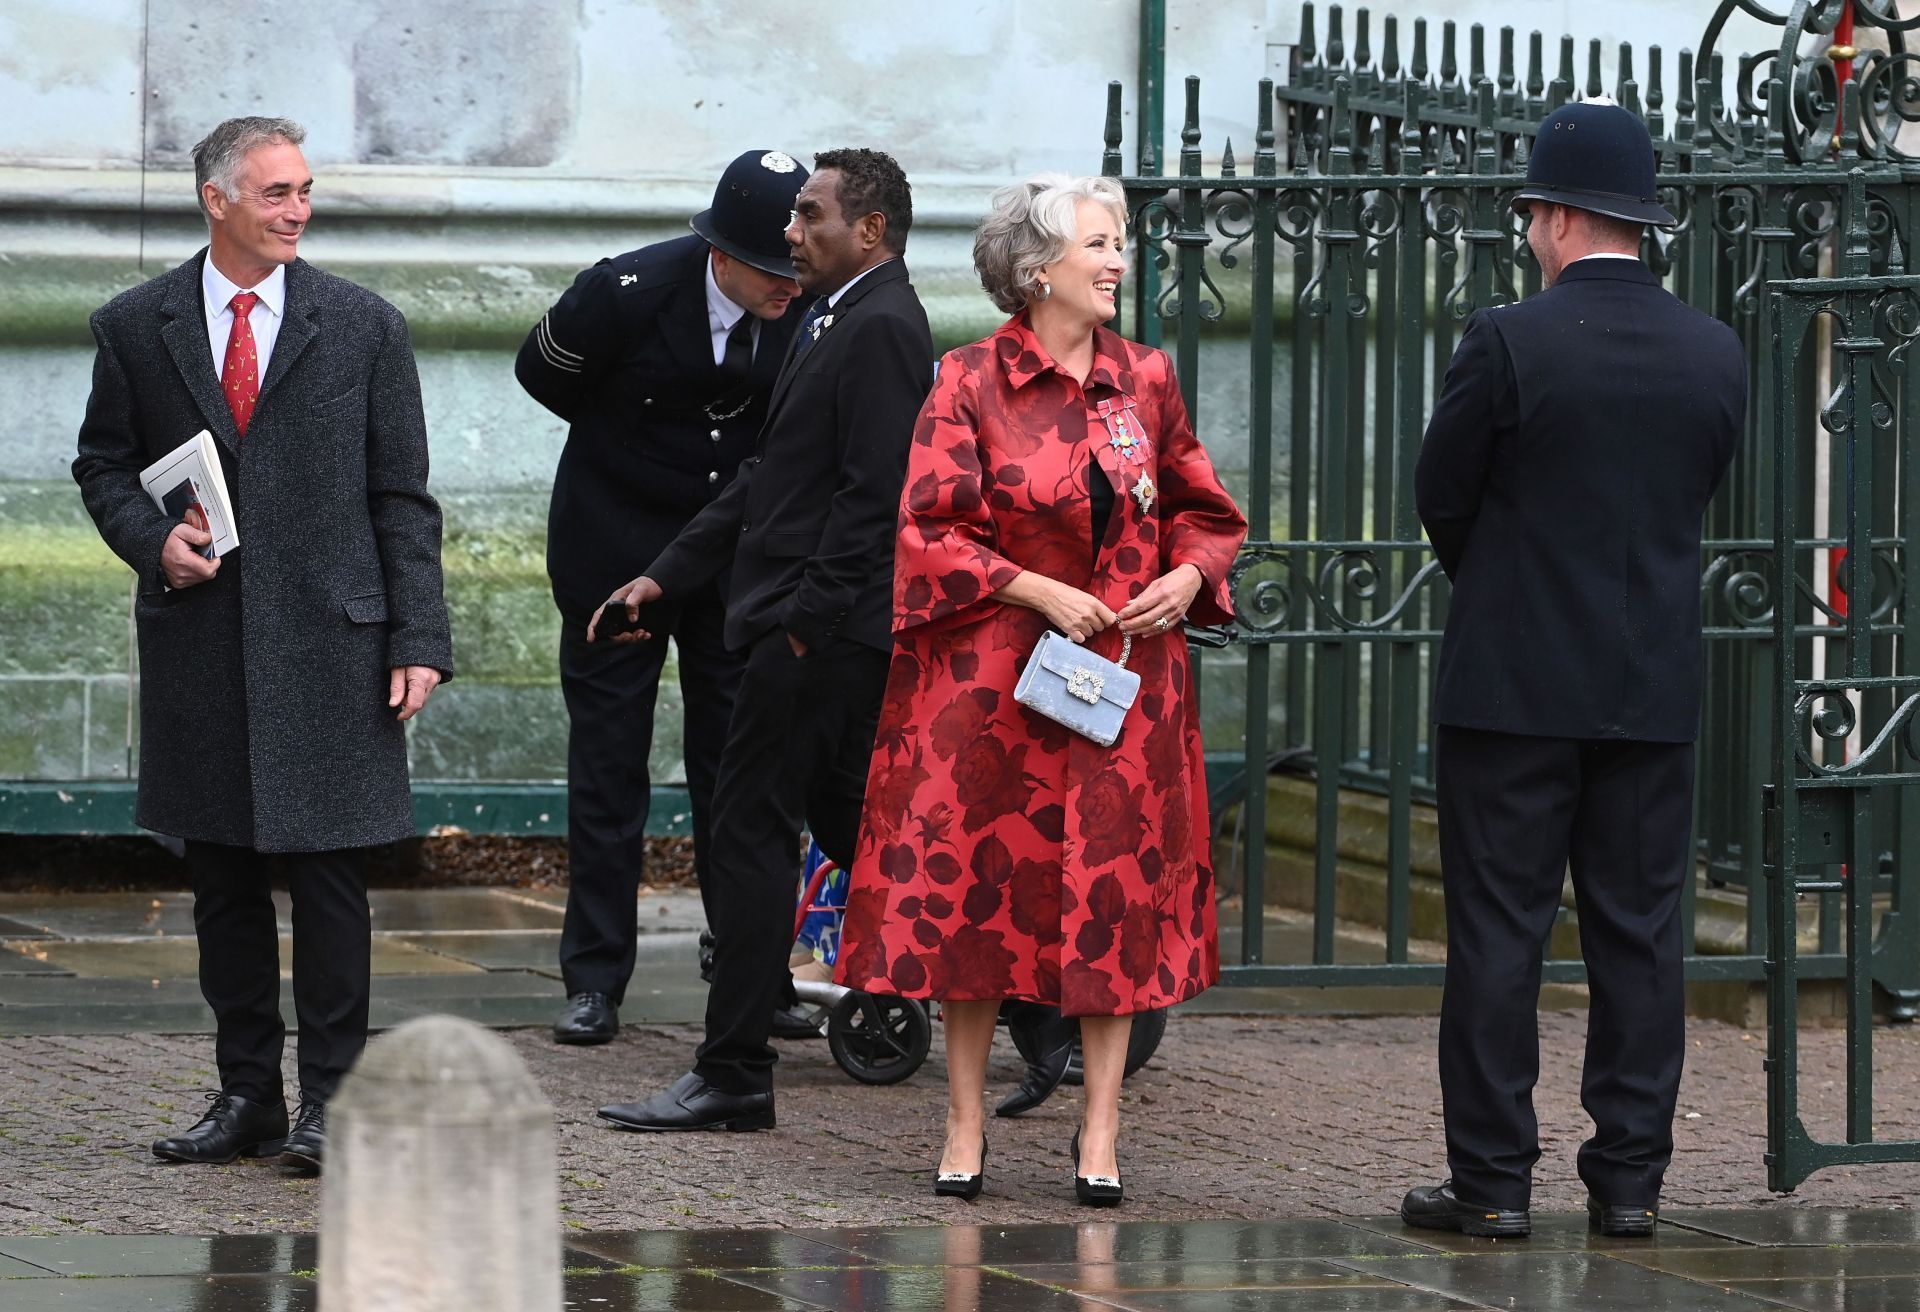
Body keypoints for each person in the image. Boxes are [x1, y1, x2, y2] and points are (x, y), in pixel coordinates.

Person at [833, 174, 1247, 1205]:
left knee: (1116, 908)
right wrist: (1033, 588)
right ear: (1038, 268)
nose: (1120, 261)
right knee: (984, 908)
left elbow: (1204, 507)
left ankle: (1099, 1126)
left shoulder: (1144, 378)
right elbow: (927, 527)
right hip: (989, 691)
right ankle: (966, 1117)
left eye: (1120, 243)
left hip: (1123, 689)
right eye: (1102, 244)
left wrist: (1190, 575)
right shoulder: (967, 379)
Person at [72, 116, 453, 1175]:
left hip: (335, 643)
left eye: (305, 190)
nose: (298, 210)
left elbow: (402, 497)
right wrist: (155, 543)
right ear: (217, 199)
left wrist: (419, 637)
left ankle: (333, 1105)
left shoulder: (365, 325)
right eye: (277, 192)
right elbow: (102, 465)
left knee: (331, 883)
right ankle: (247, 1094)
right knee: (223, 882)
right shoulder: (135, 325)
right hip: (201, 639)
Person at [1401, 100, 1745, 1239]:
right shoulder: (1713, 348)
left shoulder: (1508, 338)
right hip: (1650, 684)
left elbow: (1442, 493)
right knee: (1641, 935)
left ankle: (1495, 1183)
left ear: (1552, 217)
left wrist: (1504, 583)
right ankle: (1631, 1180)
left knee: (1500, 935)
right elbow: (1696, 489)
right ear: (1636, 219)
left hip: (1512, 682)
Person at [592, 148, 933, 1132]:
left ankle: (734, 1068)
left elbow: (876, 505)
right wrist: (667, 574)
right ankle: (1039, 1007)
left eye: (809, 215)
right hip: (799, 632)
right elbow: (764, 480)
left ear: (869, 229)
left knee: (746, 839)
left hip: (813, 642)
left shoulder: (883, 328)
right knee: (859, 833)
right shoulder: (836, 317)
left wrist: (800, 630)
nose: (789, 232)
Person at [515, 149, 811, 1047]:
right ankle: (595, 980)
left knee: (740, 772)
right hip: (619, 554)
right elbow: (543, 375)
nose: (787, 285)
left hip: (733, 564)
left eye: (796, 265)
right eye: (770, 269)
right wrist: (630, 457)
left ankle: (752, 971)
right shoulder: (626, 291)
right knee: (610, 772)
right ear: (721, 252)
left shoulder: (808, 310)